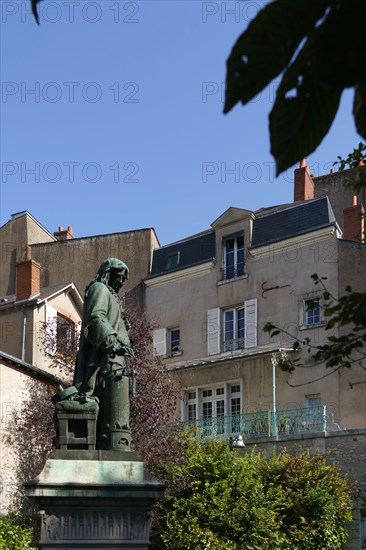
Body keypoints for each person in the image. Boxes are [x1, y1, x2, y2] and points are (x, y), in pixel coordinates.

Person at [73, 258, 134, 450]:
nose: (121, 282)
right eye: (118, 276)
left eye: (124, 279)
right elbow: (95, 318)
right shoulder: (99, 288)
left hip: (116, 362)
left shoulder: (113, 297)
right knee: (106, 407)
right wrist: (111, 342)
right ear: (108, 273)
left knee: (114, 411)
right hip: (103, 360)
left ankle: (111, 447)